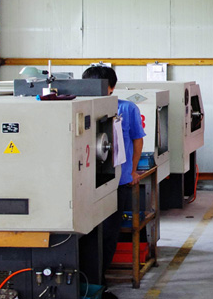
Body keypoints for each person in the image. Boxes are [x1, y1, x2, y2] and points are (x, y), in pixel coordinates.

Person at [81, 64, 145, 276]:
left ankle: (99, 279)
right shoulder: (79, 109)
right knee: (86, 233)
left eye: (102, 86)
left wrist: (133, 171)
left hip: (118, 182)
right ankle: (87, 278)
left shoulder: (127, 108)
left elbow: (137, 140)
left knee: (108, 234)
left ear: (112, 87)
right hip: (86, 184)